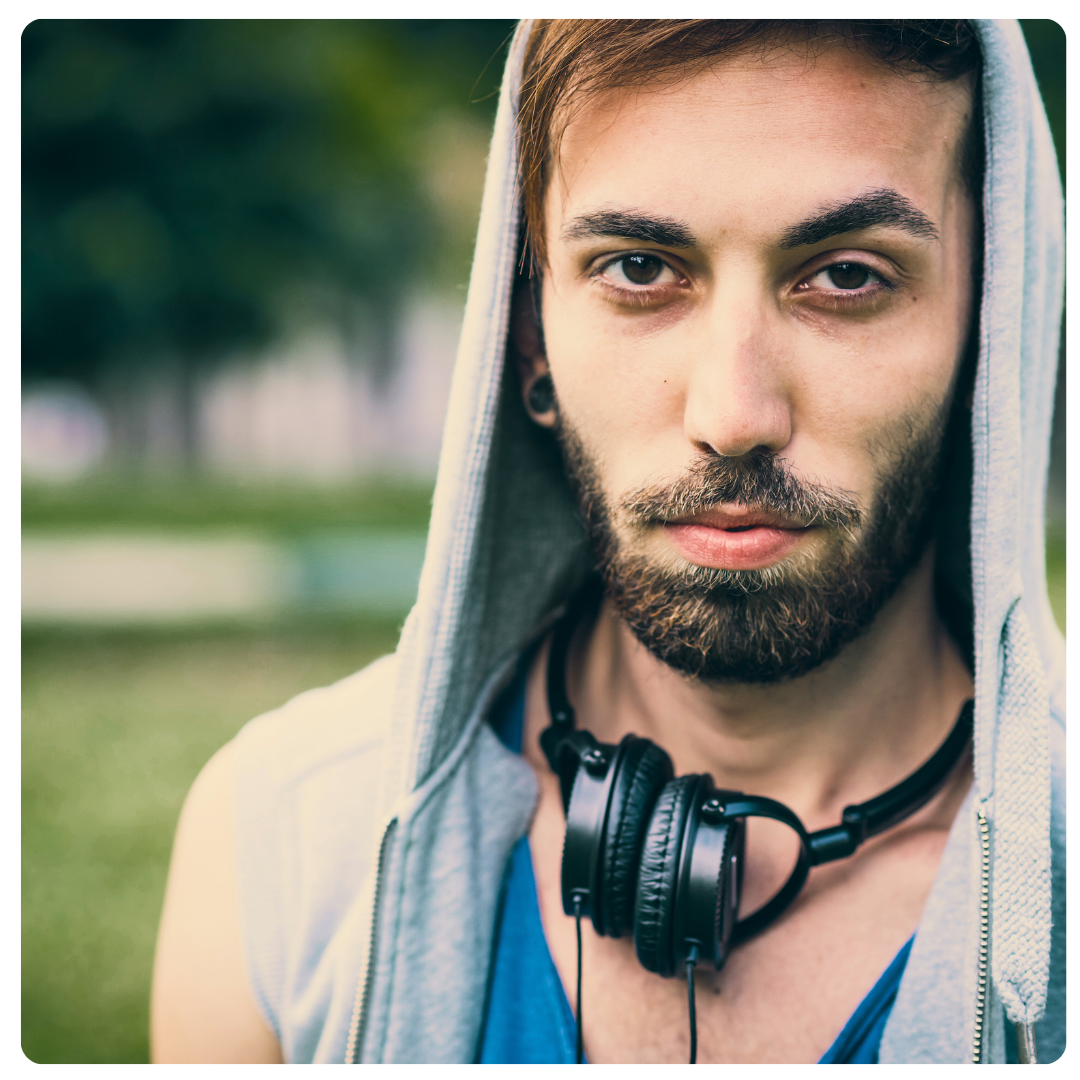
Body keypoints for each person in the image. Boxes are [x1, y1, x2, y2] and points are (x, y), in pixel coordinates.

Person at [150, 19, 1064, 1064]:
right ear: (529, 337)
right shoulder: (283, 846)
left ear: (989, 332)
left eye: (848, 276)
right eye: (638, 268)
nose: (733, 416)